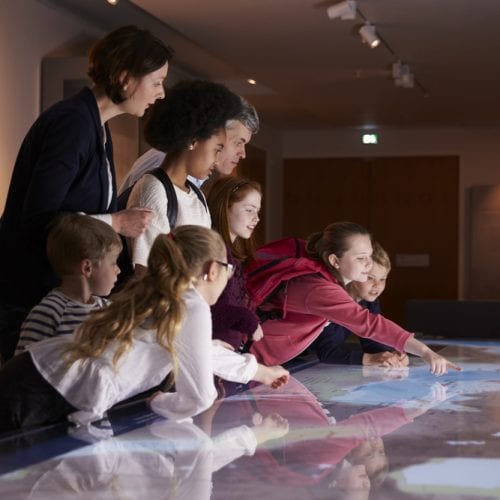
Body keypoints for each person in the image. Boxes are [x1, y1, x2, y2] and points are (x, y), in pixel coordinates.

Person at [0, 226, 287, 431]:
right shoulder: (192, 305)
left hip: (34, 374)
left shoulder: (168, 297)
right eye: (229, 269)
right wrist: (161, 403)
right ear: (212, 270)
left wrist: (260, 372)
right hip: (40, 388)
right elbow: (200, 396)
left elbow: (196, 353)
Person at [0, 25, 173, 362]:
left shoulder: (97, 125)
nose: (161, 93)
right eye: (156, 82)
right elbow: (38, 218)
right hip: (26, 295)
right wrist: (116, 222)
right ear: (125, 78)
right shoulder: (73, 123)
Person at [247, 221, 461, 376]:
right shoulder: (320, 289)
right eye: (361, 258)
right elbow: (369, 325)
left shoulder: (326, 281)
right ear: (335, 260)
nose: (368, 265)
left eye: (369, 256)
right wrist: (425, 352)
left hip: (256, 359)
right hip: (249, 357)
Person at [125, 79, 243, 277]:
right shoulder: (154, 189)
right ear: (192, 141)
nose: (217, 159)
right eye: (217, 149)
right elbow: (145, 272)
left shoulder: (196, 195)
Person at [14, 214, 122, 355]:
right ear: (87, 268)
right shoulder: (48, 313)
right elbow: (21, 370)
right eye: (113, 263)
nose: (118, 270)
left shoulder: (108, 309)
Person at [118, 95, 259, 194]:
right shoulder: (166, 165)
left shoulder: (192, 171)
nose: (243, 154)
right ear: (216, 133)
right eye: (239, 142)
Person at [307, 241, 409, 367]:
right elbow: (327, 353)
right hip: (293, 361)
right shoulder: (331, 301)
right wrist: (372, 359)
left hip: (312, 363)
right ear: (354, 274)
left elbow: (371, 343)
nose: (377, 286)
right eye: (370, 278)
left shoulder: (369, 301)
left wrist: (390, 356)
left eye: (382, 279)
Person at [207, 176, 263, 351]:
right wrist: (248, 319)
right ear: (226, 207)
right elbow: (206, 309)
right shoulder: (213, 252)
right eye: (249, 210)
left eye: (258, 211)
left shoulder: (232, 255)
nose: (257, 219)